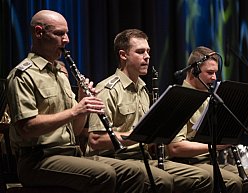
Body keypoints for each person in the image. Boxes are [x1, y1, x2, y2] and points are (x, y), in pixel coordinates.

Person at [6, 10, 147, 193]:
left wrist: (83, 101)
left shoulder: (61, 73)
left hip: (70, 154)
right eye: (59, 34)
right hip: (37, 160)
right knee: (103, 174)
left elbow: (76, 130)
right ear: (38, 32)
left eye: (67, 33)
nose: (66, 40)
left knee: (134, 172)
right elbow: (27, 128)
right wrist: (75, 111)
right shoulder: (23, 75)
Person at [87, 28, 213, 193]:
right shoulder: (107, 89)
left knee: (203, 177)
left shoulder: (144, 89)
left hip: (143, 158)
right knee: (163, 180)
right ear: (123, 55)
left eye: (148, 51)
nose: (147, 56)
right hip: (113, 158)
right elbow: (96, 140)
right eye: (140, 52)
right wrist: (140, 135)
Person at [167, 46, 248, 193]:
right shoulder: (179, 98)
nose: (214, 78)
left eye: (215, 73)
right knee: (233, 182)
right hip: (187, 163)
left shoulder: (210, 97)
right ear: (193, 71)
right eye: (210, 73)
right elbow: (175, 148)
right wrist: (216, 146)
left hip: (210, 162)